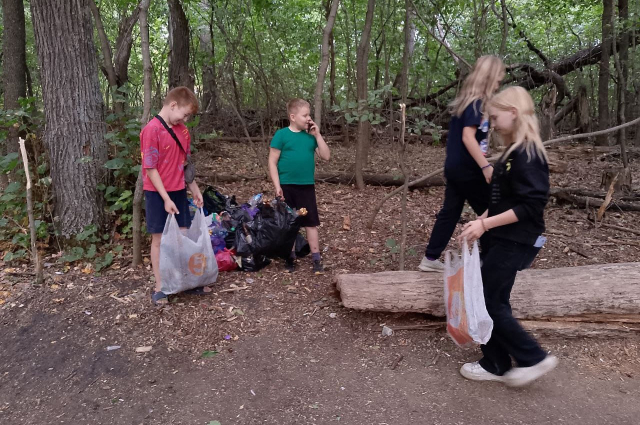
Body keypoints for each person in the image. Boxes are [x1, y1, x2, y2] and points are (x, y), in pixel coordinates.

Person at [458, 86, 558, 387]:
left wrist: (487, 226)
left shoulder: (529, 152)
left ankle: (533, 357)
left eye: (495, 116)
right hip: (501, 236)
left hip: (516, 239)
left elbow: (530, 206)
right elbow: (505, 201)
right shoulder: (515, 151)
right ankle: (496, 362)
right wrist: (481, 220)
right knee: (491, 298)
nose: (491, 123)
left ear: (513, 113)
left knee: (489, 301)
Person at [419, 55, 505, 272]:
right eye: (498, 79)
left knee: (450, 211)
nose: (499, 84)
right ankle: (490, 260)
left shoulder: (469, 102)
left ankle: (430, 258)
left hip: (455, 168)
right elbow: (468, 137)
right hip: (468, 169)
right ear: (489, 77)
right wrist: (485, 166)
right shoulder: (475, 104)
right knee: (491, 208)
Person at [141, 86, 207, 306]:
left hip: (178, 190)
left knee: (182, 235)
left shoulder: (183, 132)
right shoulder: (151, 130)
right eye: (184, 114)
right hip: (156, 193)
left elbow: (184, 165)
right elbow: (150, 168)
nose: (186, 119)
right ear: (172, 105)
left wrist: (194, 189)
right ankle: (160, 287)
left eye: (189, 116)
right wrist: (165, 198)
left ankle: (183, 281)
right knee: (159, 239)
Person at [268, 98, 330, 274]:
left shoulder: (310, 137)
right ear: (293, 117)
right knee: (290, 223)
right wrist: (277, 185)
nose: (309, 118)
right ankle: (290, 257)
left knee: (311, 223)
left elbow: (326, 156)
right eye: (305, 115)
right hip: (286, 186)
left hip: (306, 186)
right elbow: (272, 162)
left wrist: (318, 135)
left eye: (309, 115)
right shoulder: (281, 135)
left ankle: (316, 259)